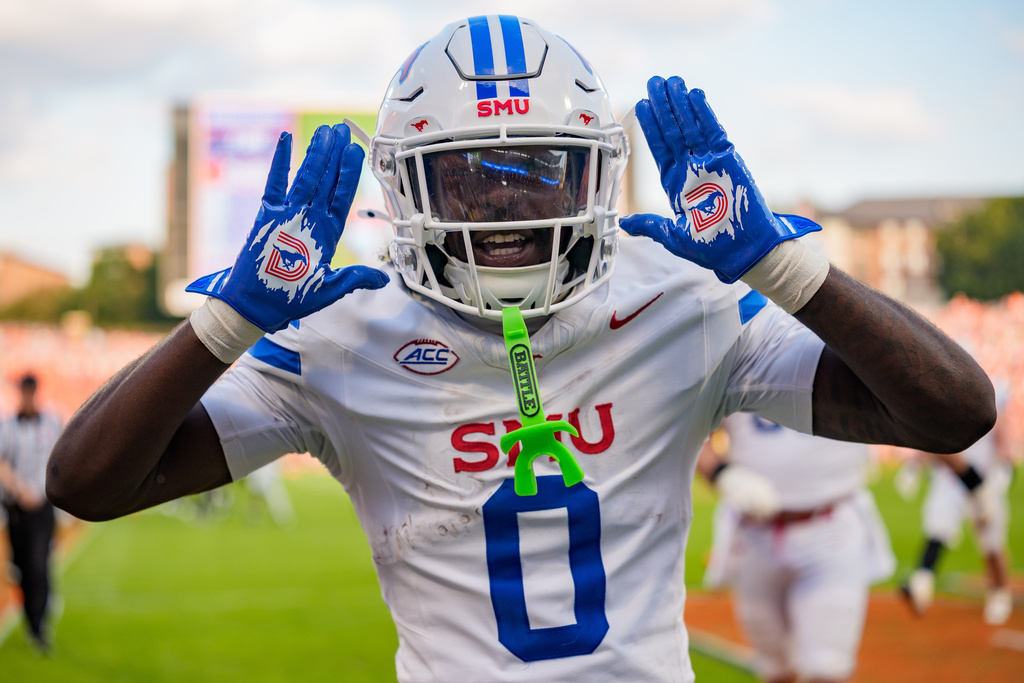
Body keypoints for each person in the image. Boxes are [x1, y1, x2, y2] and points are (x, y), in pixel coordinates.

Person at [45, 15, 994, 683]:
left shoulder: (679, 296)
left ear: (595, 172)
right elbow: (86, 481)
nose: (504, 199)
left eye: (538, 168)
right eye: (467, 177)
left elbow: (955, 409)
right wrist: (229, 322)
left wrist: (784, 271)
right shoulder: (341, 333)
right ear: (410, 192)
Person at [698, 414, 895, 683]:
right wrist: (724, 475)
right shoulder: (731, 370)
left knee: (826, 669)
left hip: (830, 525)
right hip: (753, 532)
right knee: (775, 669)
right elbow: (690, 427)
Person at [901, 377, 1015, 625]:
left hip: (983, 482)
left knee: (992, 543)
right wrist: (915, 465)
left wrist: (1004, 471)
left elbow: (1002, 441)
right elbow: (933, 445)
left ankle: (999, 592)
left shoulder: (988, 402)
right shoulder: (943, 407)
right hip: (951, 484)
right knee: (937, 530)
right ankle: (922, 582)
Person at [0, 373, 63, 653]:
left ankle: (39, 624)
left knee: (40, 563)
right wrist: (19, 488)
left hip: (43, 506)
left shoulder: (51, 422)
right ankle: (30, 617)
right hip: (17, 507)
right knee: (23, 566)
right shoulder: (7, 427)